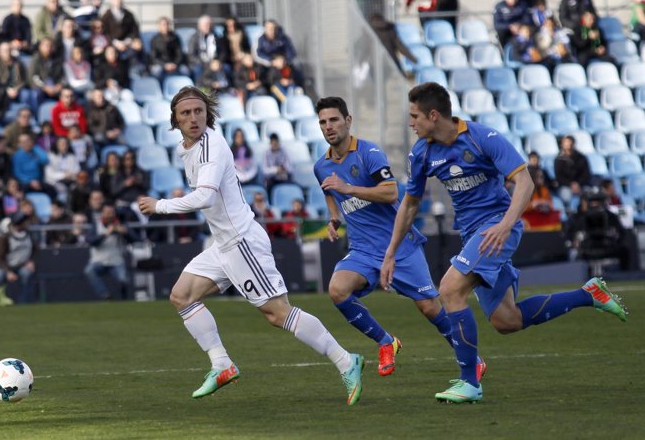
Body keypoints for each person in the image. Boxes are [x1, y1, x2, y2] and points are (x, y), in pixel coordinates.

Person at [380, 82, 627, 404]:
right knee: (507, 321)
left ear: (433, 114)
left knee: (450, 289)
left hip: (498, 227)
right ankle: (587, 294)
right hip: (473, 234)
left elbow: (524, 181)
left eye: (414, 116)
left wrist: (505, 224)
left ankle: (470, 381)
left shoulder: (483, 138)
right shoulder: (423, 152)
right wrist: (390, 254)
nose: (410, 123)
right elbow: (409, 204)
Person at [137, 86, 365, 404]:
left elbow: (205, 196)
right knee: (182, 296)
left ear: (208, 114)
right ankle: (222, 364)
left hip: (242, 242)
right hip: (224, 244)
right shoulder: (184, 149)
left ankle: (345, 360)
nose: (193, 118)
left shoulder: (212, 145)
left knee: (276, 313)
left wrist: (160, 205)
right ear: (174, 119)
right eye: (186, 113)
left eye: (199, 111)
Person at [314, 96, 485, 378]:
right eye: (322, 122)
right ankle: (386, 342)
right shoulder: (321, 165)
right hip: (363, 250)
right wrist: (334, 217)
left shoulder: (369, 153)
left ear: (348, 121)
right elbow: (329, 191)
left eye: (333, 120)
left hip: (399, 245)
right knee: (337, 290)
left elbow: (391, 192)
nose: (328, 126)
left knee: (430, 307)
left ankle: (472, 360)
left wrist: (349, 188)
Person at [84, 203, 136, 299]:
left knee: (123, 279)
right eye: (107, 213)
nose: (109, 215)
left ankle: (124, 299)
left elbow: (135, 239)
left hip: (116, 260)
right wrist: (105, 234)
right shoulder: (96, 225)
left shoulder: (121, 225)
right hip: (98, 260)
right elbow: (90, 241)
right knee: (89, 271)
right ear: (102, 213)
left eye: (111, 212)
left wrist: (126, 233)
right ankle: (105, 295)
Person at [0, 211, 37, 303]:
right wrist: (8, 272)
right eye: (25, 221)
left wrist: (31, 261)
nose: (27, 223)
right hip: (7, 267)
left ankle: (23, 302)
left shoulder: (29, 235)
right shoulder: (6, 238)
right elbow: (0, 258)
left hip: (22, 266)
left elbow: (36, 250)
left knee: (26, 274)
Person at [555, 135, 591, 210]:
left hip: (581, 185)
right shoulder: (559, 159)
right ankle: (570, 214)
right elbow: (559, 177)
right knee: (566, 195)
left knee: (589, 193)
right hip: (566, 186)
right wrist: (570, 184)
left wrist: (578, 184)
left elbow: (586, 174)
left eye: (569, 143)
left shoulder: (581, 158)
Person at [148, 16, 187, 81]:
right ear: (159, 26)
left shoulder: (175, 38)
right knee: (156, 71)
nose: (165, 26)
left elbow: (179, 54)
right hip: (161, 64)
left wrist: (175, 64)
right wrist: (164, 65)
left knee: (185, 71)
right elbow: (154, 57)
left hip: (174, 63)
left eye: (167, 24)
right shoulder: (154, 39)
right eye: (163, 25)